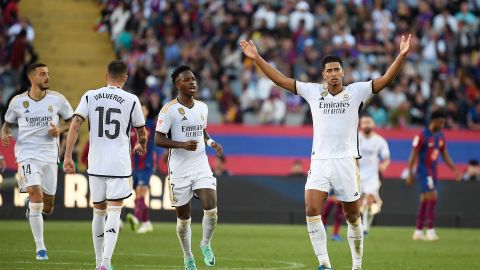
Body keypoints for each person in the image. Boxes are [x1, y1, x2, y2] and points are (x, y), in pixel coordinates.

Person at [241, 34, 412, 270]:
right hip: (319, 160)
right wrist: (257, 58)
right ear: (323, 75)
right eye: (329, 70)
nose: (333, 73)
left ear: (343, 73)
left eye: (336, 69)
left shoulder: (357, 92)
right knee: (311, 209)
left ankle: (357, 265)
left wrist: (401, 56)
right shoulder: (313, 92)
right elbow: (281, 80)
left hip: (346, 161)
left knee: (352, 216)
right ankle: (324, 263)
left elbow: (385, 80)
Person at [63, 60, 147, 270]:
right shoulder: (132, 99)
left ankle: (97, 261)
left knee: (98, 212)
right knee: (114, 211)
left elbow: (74, 124)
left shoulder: (90, 95)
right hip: (118, 163)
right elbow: (142, 132)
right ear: (125, 78)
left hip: (96, 162)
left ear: (105, 75)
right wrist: (140, 144)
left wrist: (67, 156)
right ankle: (106, 263)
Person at [2, 62, 73, 260]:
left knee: (47, 207)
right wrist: (4, 133)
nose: (47, 77)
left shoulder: (57, 99)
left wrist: (59, 130)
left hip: (50, 156)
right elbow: (6, 124)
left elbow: (72, 121)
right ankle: (40, 249)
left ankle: (30, 205)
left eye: (48, 74)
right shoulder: (17, 102)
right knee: (36, 196)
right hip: (26, 154)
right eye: (43, 74)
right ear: (32, 78)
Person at [154, 65, 223, 270]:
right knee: (184, 220)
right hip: (179, 170)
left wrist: (212, 143)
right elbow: (158, 139)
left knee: (211, 209)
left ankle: (205, 244)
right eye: (187, 79)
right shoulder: (169, 110)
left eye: (193, 78)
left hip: (201, 166)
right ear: (177, 84)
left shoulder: (203, 107)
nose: (192, 82)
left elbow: (203, 132)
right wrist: (181, 144)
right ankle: (188, 257)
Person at [406, 110, 461, 241]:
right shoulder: (422, 136)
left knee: (425, 200)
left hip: (434, 171)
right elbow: (413, 155)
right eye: (441, 122)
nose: (443, 125)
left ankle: (418, 231)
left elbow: (445, 154)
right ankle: (430, 230)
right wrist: (410, 173)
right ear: (434, 121)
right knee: (433, 197)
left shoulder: (440, 136)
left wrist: (455, 169)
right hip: (424, 171)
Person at [358, 115, 390, 236]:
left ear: (373, 124)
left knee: (368, 200)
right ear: (360, 125)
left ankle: (364, 227)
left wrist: (384, 165)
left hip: (372, 176)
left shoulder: (379, 141)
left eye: (369, 122)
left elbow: (386, 158)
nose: (366, 124)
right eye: (364, 122)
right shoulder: (355, 138)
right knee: (359, 203)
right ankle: (362, 223)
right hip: (358, 175)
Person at [126, 102, 156, 233]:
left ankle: (136, 218)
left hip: (147, 164)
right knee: (137, 195)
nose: (140, 110)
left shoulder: (151, 125)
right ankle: (146, 222)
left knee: (141, 191)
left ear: (147, 111)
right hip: (135, 166)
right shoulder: (131, 127)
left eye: (143, 108)